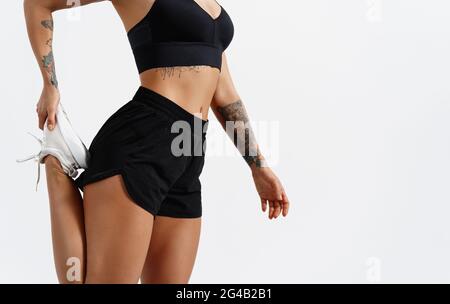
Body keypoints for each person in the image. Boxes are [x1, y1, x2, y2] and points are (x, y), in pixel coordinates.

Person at [20, 0, 290, 284]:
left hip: (190, 151)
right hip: (143, 139)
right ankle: (55, 165)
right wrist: (50, 87)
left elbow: (224, 93)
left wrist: (258, 167)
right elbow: (38, 3)